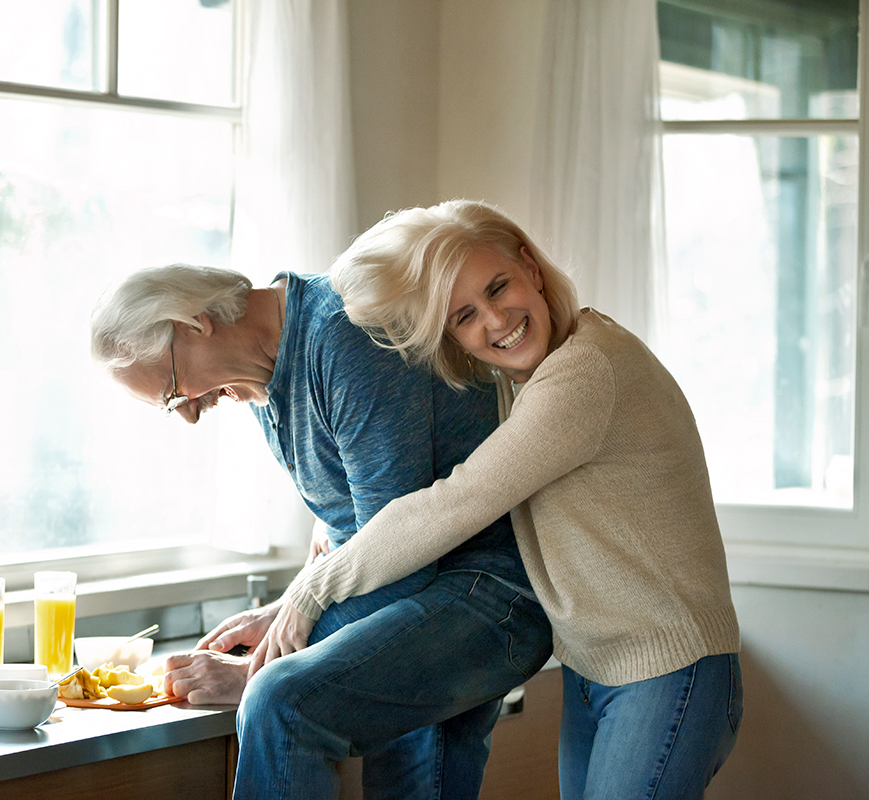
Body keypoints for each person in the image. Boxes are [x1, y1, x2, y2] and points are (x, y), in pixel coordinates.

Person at [256, 200, 743, 800]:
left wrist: (312, 589)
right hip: (596, 668)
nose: (494, 320)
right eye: (465, 316)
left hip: (670, 669)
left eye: (498, 287)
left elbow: (455, 503)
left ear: (531, 268)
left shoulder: (583, 372)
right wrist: (329, 535)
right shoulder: (528, 381)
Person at [90, 263, 552, 799]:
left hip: (490, 593)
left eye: (173, 390)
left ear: (195, 324)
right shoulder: (257, 380)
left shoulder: (343, 334)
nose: (190, 414)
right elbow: (348, 531)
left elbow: (396, 557)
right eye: (173, 408)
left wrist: (257, 669)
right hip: (421, 592)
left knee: (277, 702)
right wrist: (278, 614)